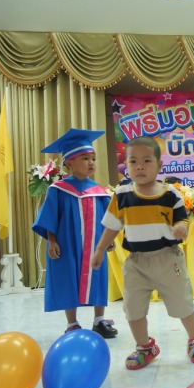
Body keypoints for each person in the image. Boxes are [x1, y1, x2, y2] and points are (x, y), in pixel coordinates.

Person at [90, 136, 194, 370]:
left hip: (167, 259)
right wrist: (100, 249)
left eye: (147, 161)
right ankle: (145, 347)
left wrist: (181, 228)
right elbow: (112, 226)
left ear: (159, 165)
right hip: (136, 263)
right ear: (126, 165)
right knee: (133, 309)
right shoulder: (122, 194)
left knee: (182, 303)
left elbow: (182, 220)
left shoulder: (170, 194)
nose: (140, 166)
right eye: (133, 161)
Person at [32, 128, 118, 338]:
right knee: (67, 277)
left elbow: (108, 219)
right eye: (85, 158)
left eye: (93, 159)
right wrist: (51, 241)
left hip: (95, 244)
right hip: (67, 243)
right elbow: (49, 217)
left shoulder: (99, 192)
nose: (91, 163)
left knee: (97, 276)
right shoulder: (58, 189)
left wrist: (108, 240)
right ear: (69, 163)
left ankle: (99, 320)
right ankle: (72, 323)